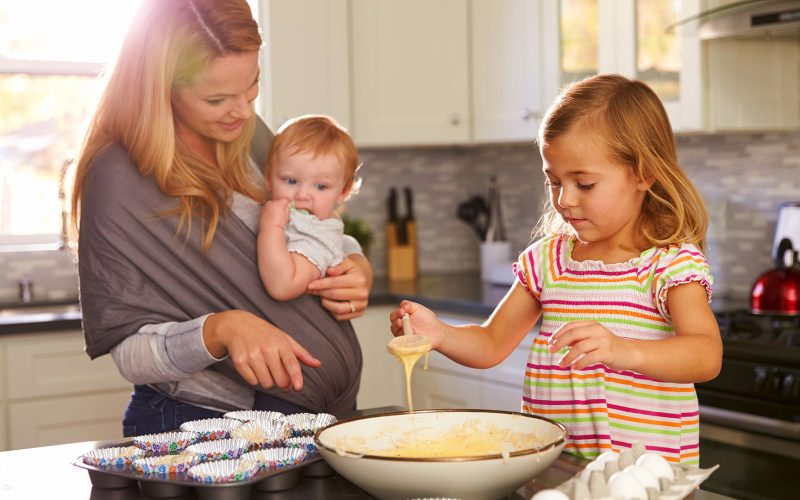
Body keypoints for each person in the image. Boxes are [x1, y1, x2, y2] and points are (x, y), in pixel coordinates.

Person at [70, 0, 372, 437]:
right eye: (218, 98)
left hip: (312, 419)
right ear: (161, 86)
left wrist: (354, 265)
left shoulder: (246, 136)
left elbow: (312, 224)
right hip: (202, 426)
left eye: (252, 88)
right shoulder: (119, 178)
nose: (244, 111)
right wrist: (220, 330)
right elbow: (128, 351)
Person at [390, 74, 722, 465]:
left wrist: (622, 350)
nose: (565, 199)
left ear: (643, 174)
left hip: (647, 480)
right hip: (555, 469)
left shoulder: (667, 264)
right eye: (554, 181)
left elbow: (706, 355)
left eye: (585, 183)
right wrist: (439, 333)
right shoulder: (548, 261)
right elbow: (491, 342)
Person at [249, 114, 362, 302]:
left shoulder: (319, 235)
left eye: (320, 186)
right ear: (269, 178)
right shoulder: (293, 217)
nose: (302, 195)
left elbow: (283, 286)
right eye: (291, 181)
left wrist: (271, 228)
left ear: (343, 191)